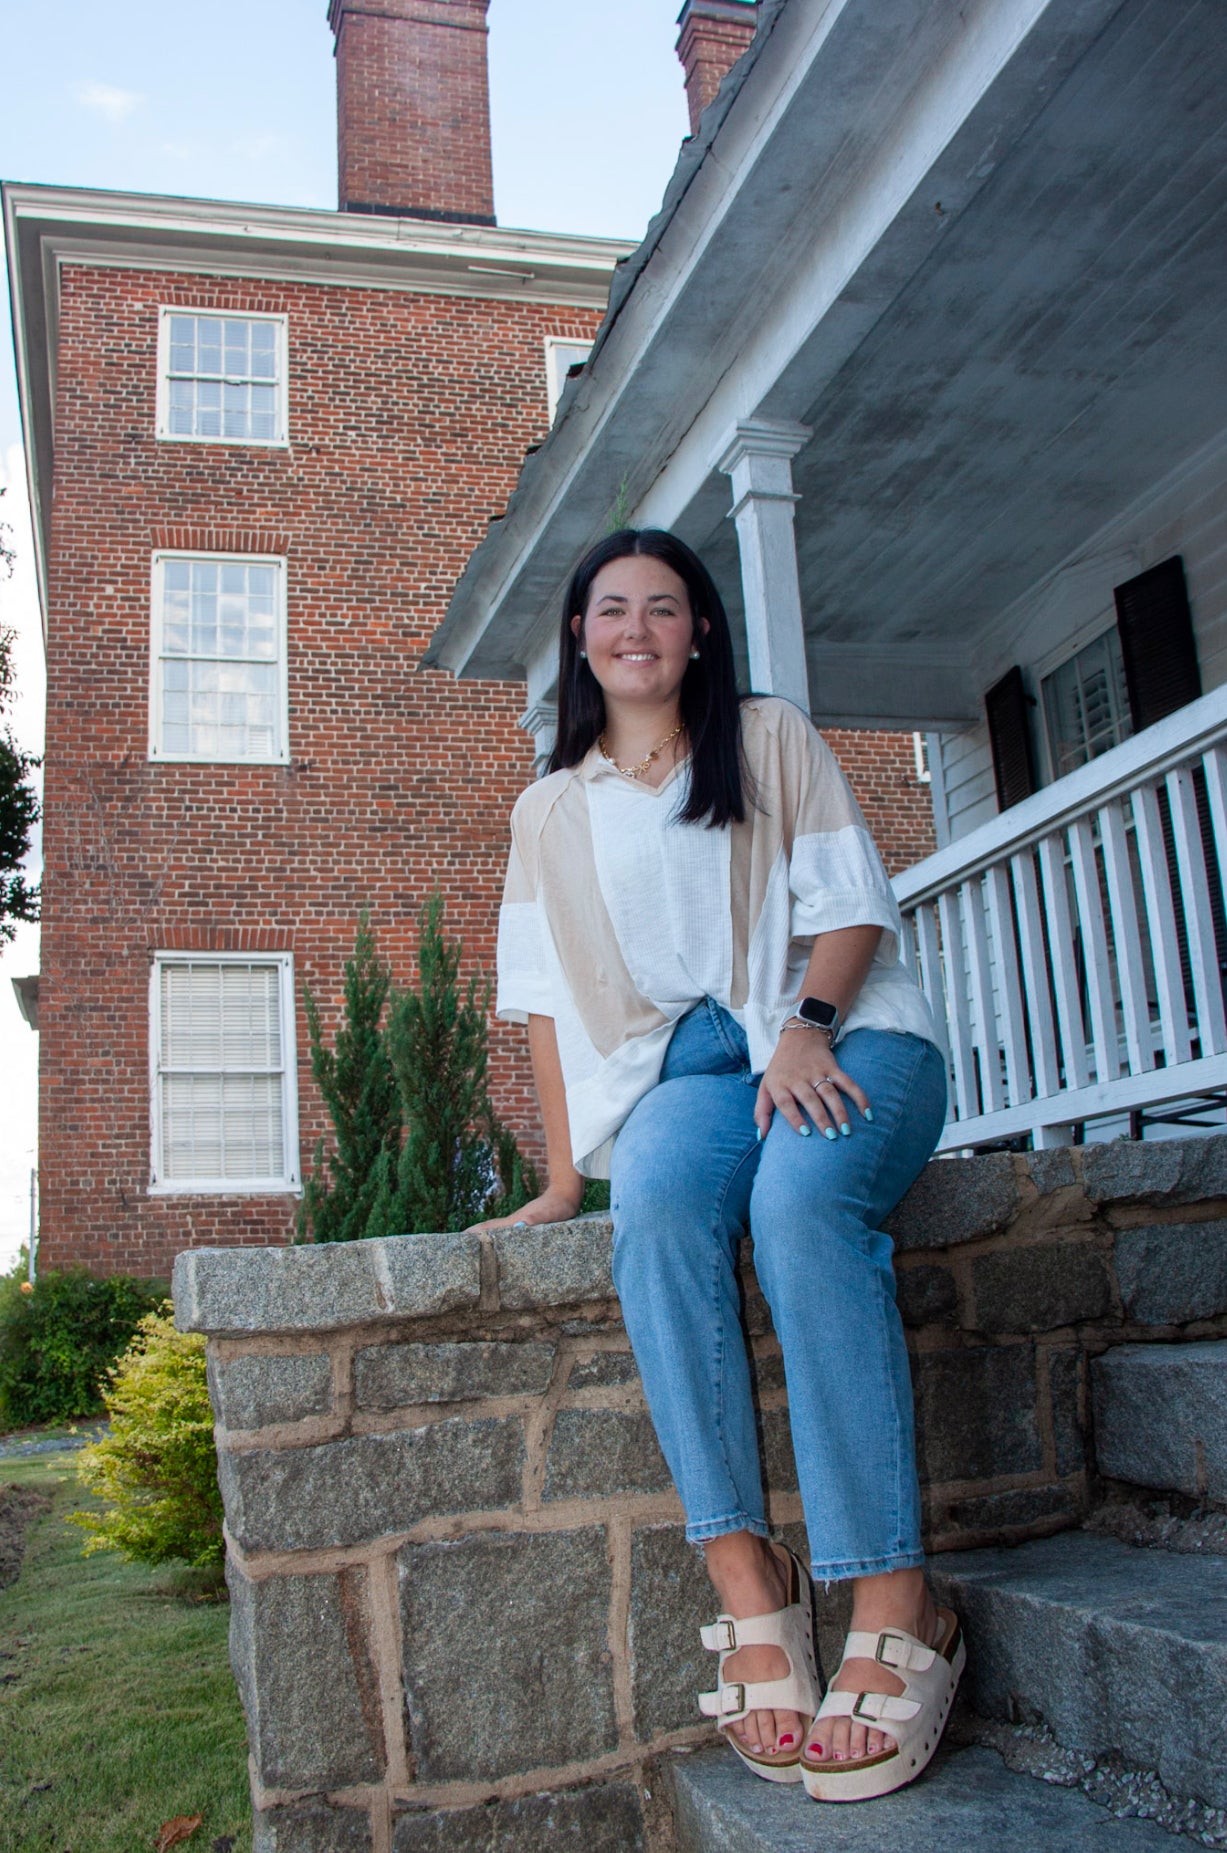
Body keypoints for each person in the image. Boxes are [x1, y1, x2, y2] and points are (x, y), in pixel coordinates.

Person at [475, 528, 962, 1803]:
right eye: (611, 608)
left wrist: (804, 1026)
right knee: (658, 1208)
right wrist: (567, 1176)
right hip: (685, 1067)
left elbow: (855, 908)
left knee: (803, 1204)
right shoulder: (551, 808)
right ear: (579, 635)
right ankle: (751, 1580)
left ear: (698, 631)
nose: (637, 627)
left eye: (665, 607)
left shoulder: (766, 736)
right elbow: (542, 1009)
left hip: (846, 1025)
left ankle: (898, 1598)